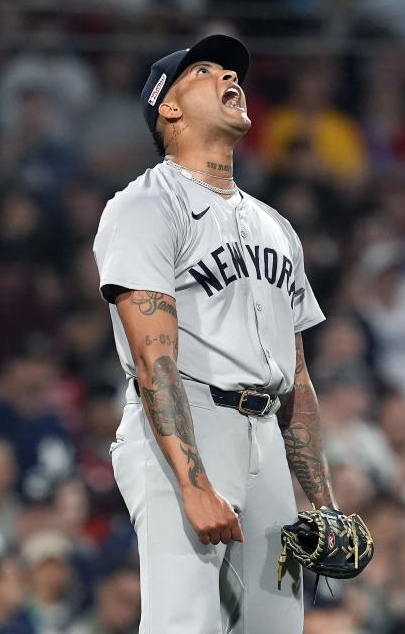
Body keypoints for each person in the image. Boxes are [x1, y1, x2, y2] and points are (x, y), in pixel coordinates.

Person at [92, 34, 333, 633]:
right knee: (186, 625)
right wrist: (193, 484)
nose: (230, 77)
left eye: (233, 71)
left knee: (275, 628)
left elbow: (297, 376)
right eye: (205, 70)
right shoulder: (145, 205)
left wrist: (322, 504)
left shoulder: (276, 227)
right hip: (187, 426)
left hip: (266, 438)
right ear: (167, 107)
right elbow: (155, 363)